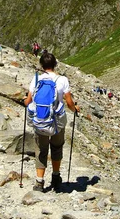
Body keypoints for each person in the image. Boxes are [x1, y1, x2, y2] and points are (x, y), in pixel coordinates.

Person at [24, 51, 79, 192]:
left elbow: (28, 101)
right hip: (56, 122)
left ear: (42, 65)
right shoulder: (62, 80)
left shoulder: (36, 79)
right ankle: (55, 177)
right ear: (55, 64)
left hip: (40, 119)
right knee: (57, 147)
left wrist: (25, 101)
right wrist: (75, 109)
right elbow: (69, 102)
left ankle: (39, 182)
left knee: (41, 149)